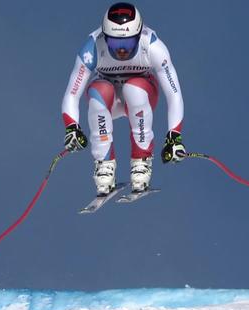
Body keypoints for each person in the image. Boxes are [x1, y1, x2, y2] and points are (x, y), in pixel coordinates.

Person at [62, 2, 187, 195]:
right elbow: (72, 92)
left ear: (138, 36)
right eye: (114, 43)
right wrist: (72, 128)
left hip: (141, 95)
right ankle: (104, 166)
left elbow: (174, 93)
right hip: (110, 100)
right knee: (98, 91)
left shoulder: (152, 46)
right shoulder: (93, 46)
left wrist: (174, 136)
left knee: (133, 89)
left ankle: (141, 163)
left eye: (128, 43)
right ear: (105, 36)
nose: (122, 50)